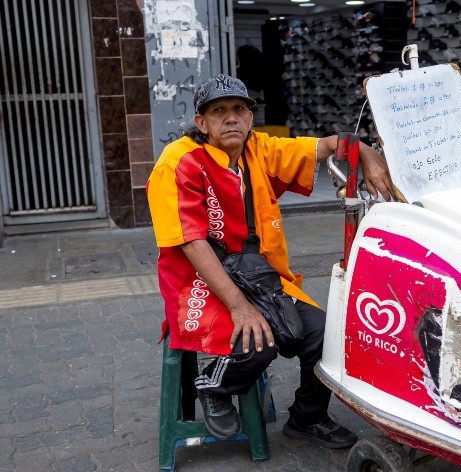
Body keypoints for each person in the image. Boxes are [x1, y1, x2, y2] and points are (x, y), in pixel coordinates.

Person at [147, 74, 402, 448]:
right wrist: (239, 306)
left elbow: (321, 147)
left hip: (258, 273)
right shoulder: (178, 161)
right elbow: (191, 243)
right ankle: (214, 386)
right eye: (219, 111)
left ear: (251, 118)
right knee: (257, 340)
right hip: (199, 278)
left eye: (239, 109)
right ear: (201, 122)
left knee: (322, 334)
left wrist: (364, 151)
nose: (231, 118)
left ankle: (307, 416)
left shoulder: (257, 148)